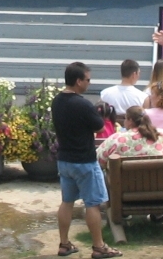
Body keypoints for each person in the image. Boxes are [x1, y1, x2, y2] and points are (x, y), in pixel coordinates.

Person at [53, 61, 122, 258]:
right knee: (93, 203)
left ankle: (64, 244)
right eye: (88, 80)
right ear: (78, 81)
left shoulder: (57, 101)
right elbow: (100, 127)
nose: (89, 83)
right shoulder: (83, 104)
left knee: (67, 202)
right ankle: (99, 246)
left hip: (64, 160)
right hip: (84, 161)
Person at [97, 105, 163, 160]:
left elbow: (100, 158)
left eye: (125, 118)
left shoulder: (117, 139)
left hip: (126, 182)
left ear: (130, 120)